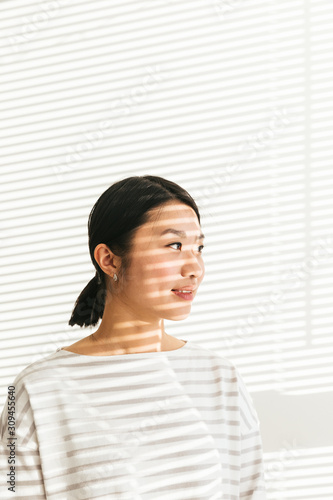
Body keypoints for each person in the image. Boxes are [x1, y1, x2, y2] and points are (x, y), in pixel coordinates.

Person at [0, 175, 267, 499]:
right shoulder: (31, 390)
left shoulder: (221, 378)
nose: (194, 267)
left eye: (199, 247)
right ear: (109, 259)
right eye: (174, 245)